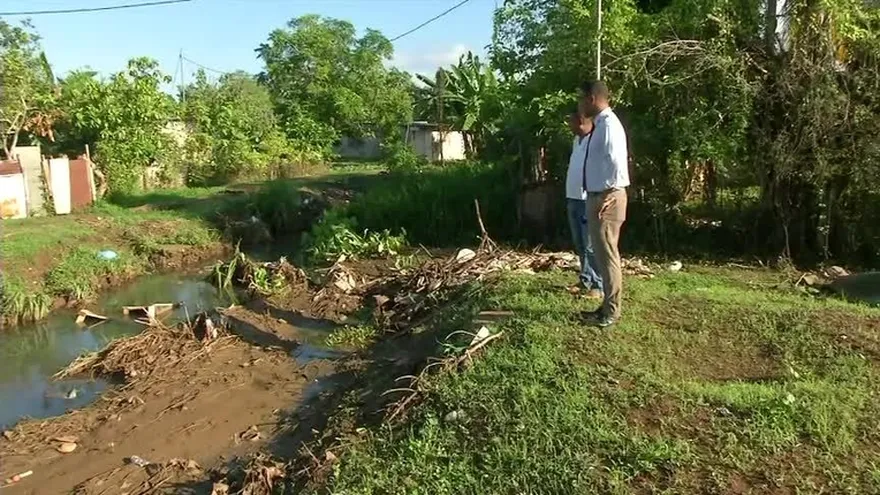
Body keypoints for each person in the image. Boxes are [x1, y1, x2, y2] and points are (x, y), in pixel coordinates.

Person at [579, 81, 630, 328]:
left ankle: (612, 311)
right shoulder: (600, 125)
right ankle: (606, 307)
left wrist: (611, 192)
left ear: (591, 98)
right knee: (601, 255)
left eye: (581, 100)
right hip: (598, 196)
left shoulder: (609, 125)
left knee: (608, 256)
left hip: (606, 198)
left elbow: (618, 161)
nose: (579, 105)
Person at [564, 111, 603, 299]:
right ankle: (585, 278)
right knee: (580, 243)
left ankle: (598, 285)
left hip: (587, 198)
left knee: (591, 245)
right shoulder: (576, 141)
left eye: (570, 121)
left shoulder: (594, 140)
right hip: (572, 197)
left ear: (580, 121)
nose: (568, 125)